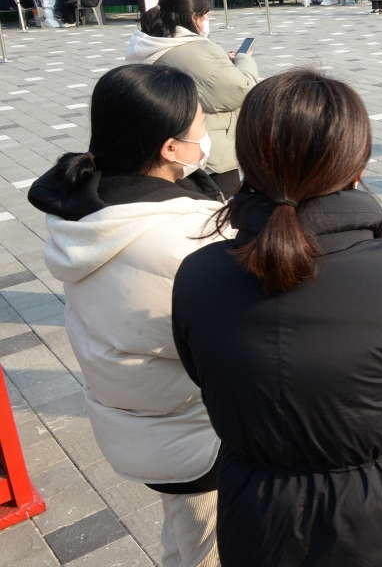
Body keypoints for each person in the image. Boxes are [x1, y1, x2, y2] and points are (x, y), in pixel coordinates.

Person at [171, 69, 382, 567]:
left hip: (261, 514)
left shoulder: (197, 275)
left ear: (249, 157)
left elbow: (204, 373)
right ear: (353, 162)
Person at [29, 65, 225, 567]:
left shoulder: (87, 209)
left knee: (183, 536)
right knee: (212, 545)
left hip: (141, 419)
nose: (208, 134)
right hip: (195, 432)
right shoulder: (182, 238)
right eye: (200, 124)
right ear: (169, 148)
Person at [125, 0, 259, 198]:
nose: (207, 21)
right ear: (192, 16)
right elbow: (241, 90)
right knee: (219, 211)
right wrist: (244, 60)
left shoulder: (150, 40)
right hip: (208, 152)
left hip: (166, 147)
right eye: (205, 16)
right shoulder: (196, 49)